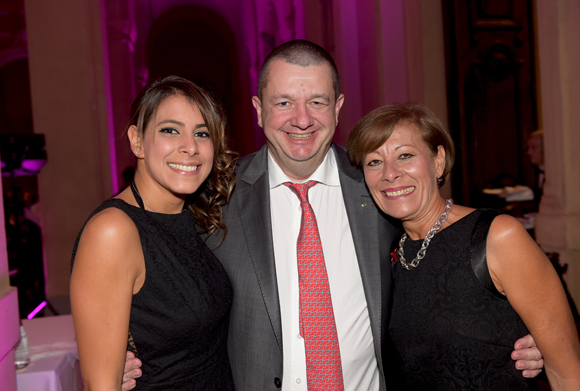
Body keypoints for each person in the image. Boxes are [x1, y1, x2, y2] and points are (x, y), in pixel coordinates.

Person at [123, 40, 544, 391]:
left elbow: (443, 266)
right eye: (284, 102)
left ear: (338, 107)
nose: (302, 119)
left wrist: (514, 333)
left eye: (317, 102)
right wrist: (127, 346)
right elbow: (166, 272)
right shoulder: (215, 192)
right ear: (258, 108)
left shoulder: (382, 188)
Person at [348, 103, 580, 390]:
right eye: (374, 162)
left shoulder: (495, 236)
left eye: (405, 155)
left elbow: (568, 373)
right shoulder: (384, 253)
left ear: (438, 161)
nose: (390, 173)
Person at [70, 76, 237, 390]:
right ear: (136, 141)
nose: (190, 147)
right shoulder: (113, 232)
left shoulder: (190, 217)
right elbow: (101, 385)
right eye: (170, 130)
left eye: (202, 133)